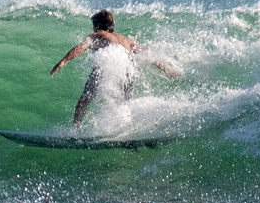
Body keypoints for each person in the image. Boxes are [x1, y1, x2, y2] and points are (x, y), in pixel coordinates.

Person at [50, 9, 180, 127]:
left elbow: (82, 46)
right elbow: (148, 55)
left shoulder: (97, 35)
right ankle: (128, 130)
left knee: (84, 99)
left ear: (98, 25)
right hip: (128, 67)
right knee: (126, 102)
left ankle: (76, 129)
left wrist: (63, 60)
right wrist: (167, 69)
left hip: (110, 62)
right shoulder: (125, 40)